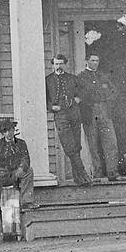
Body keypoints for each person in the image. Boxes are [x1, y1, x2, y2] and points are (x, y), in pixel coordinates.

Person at [0, 117, 35, 240]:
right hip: (1, 176)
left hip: (15, 174)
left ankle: (26, 201)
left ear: (14, 130)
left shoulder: (21, 143)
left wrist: (21, 168)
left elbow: (26, 159)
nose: (8, 133)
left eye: (10, 130)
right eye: (5, 131)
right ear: (2, 133)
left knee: (28, 171)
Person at [45, 54, 90, 185]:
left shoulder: (72, 78)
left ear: (65, 64)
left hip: (74, 113)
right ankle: (83, 175)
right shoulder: (48, 80)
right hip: (60, 115)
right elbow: (44, 97)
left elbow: (85, 90)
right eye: (56, 64)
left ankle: (78, 178)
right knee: (69, 145)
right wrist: (52, 107)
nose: (58, 66)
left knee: (76, 145)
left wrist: (79, 98)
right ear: (53, 65)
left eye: (61, 64)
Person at [77, 53, 120, 182]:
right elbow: (77, 95)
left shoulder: (103, 77)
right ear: (86, 61)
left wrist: (108, 102)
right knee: (92, 144)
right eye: (92, 60)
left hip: (104, 112)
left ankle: (113, 172)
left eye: (97, 60)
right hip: (89, 113)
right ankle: (96, 173)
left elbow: (114, 91)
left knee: (110, 142)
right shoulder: (81, 77)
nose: (95, 63)